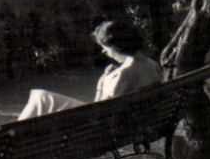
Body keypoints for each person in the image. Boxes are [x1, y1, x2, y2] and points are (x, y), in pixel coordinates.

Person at [17, 18, 164, 119]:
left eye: (104, 47)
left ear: (116, 46)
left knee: (41, 97)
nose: (104, 52)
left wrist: (102, 83)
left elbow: (98, 111)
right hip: (134, 123)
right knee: (41, 98)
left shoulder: (124, 73)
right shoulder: (151, 64)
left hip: (102, 130)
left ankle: (13, 143)